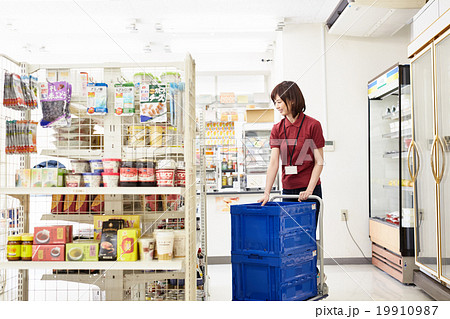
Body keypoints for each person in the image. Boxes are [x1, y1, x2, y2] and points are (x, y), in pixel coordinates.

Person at [258, 81, 325, 219]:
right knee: (288, 236)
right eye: (275, 103)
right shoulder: (277, 129)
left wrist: (309, 190)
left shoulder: (313, 125)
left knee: (306, 235)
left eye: (279, 102)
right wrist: (267, 193)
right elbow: (274, 163)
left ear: (292, 100)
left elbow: (319, 162)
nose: (277, 106)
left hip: (310, 191)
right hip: (287, 191)